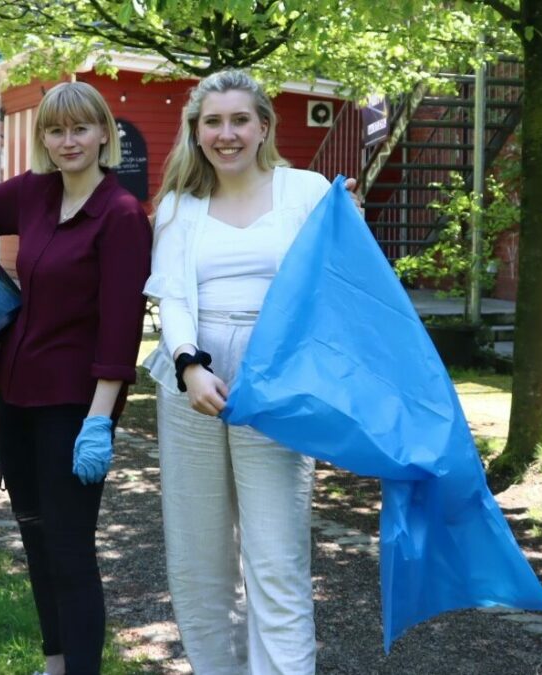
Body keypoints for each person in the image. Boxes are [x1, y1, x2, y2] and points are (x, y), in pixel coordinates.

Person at [143, 69, 358, 674]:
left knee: (276, 557)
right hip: (193, 383)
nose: (227, 133)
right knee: (197, 558)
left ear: (264, 126)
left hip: (278, 385)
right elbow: (174, 297)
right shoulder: (179, 207)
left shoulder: (308, 192)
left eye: (240, 119)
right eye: (213, 121)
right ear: (196, 131)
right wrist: (188, 365)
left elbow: (342, 283)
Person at [0, 81, 152, 675]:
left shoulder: (120, 216)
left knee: (69, 547)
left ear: (104, 134)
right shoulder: (36, 194)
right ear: (43, 139)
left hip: (75, 405)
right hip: (17, 392)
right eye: (56, 131)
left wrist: (98, 420)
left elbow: (121, 327)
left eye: (81, 128)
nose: (69, 141)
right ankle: (56, 662)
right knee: (34, 534)